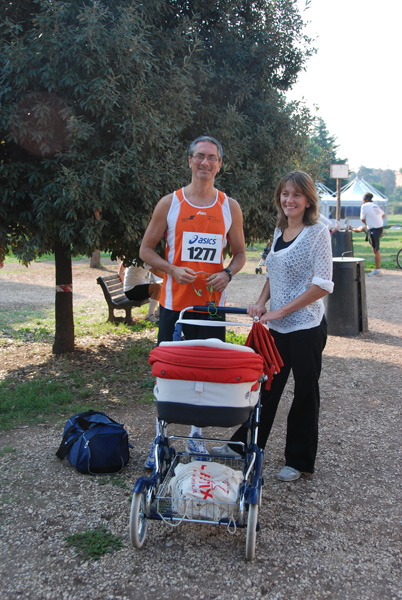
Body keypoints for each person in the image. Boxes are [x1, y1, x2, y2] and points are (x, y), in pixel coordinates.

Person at [212, 171, 334, 482]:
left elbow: (322, 285)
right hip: (278, 329)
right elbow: (274, 274)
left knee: (305, 393)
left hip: (307, 327)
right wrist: (262, 302)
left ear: (308, 200)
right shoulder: (280, 230)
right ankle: (244, 445)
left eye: (296, 195)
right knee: (265, 388)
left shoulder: (317, 232)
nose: (289, 200)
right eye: (285, 194)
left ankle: (299, 460)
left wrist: (281, 310)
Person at [140, 135, 246, 466]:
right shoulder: (169, 203)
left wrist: (228, 273)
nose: (205, 163)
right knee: (169, 374)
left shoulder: (229, 207)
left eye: (211, 158)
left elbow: (241, 254)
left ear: (219, 165)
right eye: (199, 156)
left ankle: (197, 436)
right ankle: (161, 438)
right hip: (175, 306)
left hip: (212, 309)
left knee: (206, 374)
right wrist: (171, 268)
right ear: (189, 161)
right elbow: (145, 250)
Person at [360, 192, 385, 276]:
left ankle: (377, 270)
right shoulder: (374, 205)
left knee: (376, 250)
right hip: (379, 228)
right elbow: (383, 214)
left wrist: (367, 223)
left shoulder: (364, 206)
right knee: (375, 249)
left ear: (364, 199)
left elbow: (362, 219)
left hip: (374, 229)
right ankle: (377, 269)